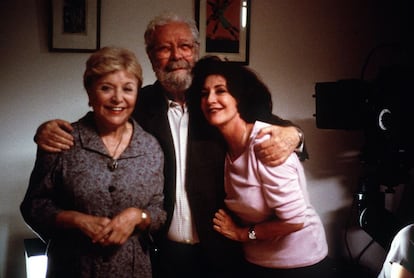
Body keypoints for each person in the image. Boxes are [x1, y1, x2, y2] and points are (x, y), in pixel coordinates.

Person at [33, 13, 307, 277]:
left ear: (196, 51)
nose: (176, 56)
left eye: (185, 46)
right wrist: (46, 130)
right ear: (151, 56)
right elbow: (98, 119)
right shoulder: (137, 103)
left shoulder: (218, 104)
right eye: (164, 48)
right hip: (161, 254)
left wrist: (295, 135)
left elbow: (275, 128)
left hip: (222, 250)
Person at [20, 47, 166, 278]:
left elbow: (159, 210)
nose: (118, 98)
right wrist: (75, 220)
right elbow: (33, 206)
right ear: (89, 92)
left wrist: (139, 216)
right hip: (72, 268)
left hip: (134, 270)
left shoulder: (151, 147)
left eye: (127, 89)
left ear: (137, 94)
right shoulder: (62, 140)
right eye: (106, 88)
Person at [188, 56, 330, 278]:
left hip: (298, 265)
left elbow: (294, 221)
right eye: (204, 94)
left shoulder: (266, 142)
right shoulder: (222, 147)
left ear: (239, 99)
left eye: (220, 90)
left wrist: (242, 234)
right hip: (255, 262)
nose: (210, 99)